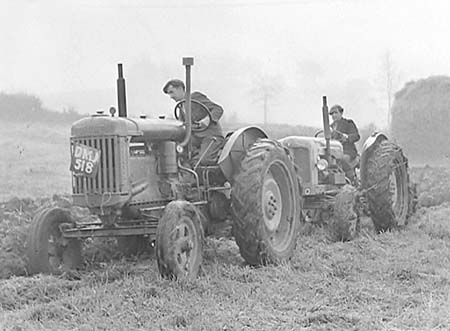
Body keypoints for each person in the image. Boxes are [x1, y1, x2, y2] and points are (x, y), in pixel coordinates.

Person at [163, 79, 224, 167]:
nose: (171, 96)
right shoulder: (181, 107)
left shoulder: (195, 97)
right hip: (195, 138)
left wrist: (206, 120)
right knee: (177, 154)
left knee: (204, 160)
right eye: (169, 93)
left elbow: (218, 109)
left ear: (180, 88)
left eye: (172, 92)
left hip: (210, 136)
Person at [329, 104, 360, 182]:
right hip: (334, 152)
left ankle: (351, 179)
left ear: (341, 113)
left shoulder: (348, 123)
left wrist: (348, 137)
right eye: (332, 114)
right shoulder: (330, 127)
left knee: (342, 159)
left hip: (348, 151)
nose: (334, 115)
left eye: (336, 113)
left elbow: (356, 136)